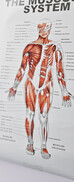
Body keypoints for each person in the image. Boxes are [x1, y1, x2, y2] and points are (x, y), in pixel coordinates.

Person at [7, 18, 72, 159]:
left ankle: (43, 146)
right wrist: (14, 86)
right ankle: (30, 143)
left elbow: (59, 70)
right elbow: (22, 68)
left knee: (44, 117)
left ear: (50, 28)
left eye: (46, 28)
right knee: (29, 114)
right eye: (40, 28)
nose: (43, 31)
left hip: (47, 85)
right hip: (31, 83)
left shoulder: (55, 46)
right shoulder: (30, 46)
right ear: (37, 29)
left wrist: (64, 91)